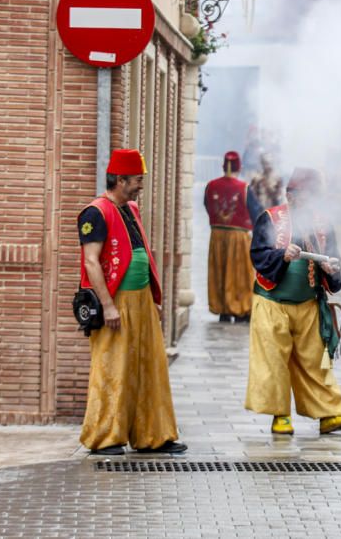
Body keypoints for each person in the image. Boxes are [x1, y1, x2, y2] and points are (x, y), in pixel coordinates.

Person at [77, 149, 187, 456]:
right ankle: (105, 437)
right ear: (121, 179)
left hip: (141, 301)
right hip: (116, 302)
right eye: (137, 179)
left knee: (150, 365)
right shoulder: (95, 213)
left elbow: (138, 253)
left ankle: (154, 435)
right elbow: (91, 263)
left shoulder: (131, 209)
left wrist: (151, 297)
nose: (141, 185)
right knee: (114, 367)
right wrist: (108, 305)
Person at [246, 167, 341, 436]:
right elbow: (258, 256)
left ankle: (329, 414)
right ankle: (280, 416)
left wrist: (332, 270)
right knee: (273, 362)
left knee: (316, 361)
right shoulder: (270, 219)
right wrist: (282, 256)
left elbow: (334, 259)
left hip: (308, 305)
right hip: (272, 302)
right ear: (291, 196)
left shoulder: (322, 224)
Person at [204, 151, 255, 323]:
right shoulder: (244, 187)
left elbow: (207, 205)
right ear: (239, 167)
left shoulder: (211, 186)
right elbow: (256, 212)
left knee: (220, 271)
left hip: (217, 236)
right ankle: (241, 309)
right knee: (240, 273)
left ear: (223, 166)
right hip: (239, 237)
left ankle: (223, 309)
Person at [247, 151, 284, 224]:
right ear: (262, 164)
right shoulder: (256, 179)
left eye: (269, 163)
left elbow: (279, 199)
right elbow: (252, 198)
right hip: (259, 214)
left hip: (272, 214)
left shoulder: (277, 179)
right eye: (265, 163)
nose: (267, 165)